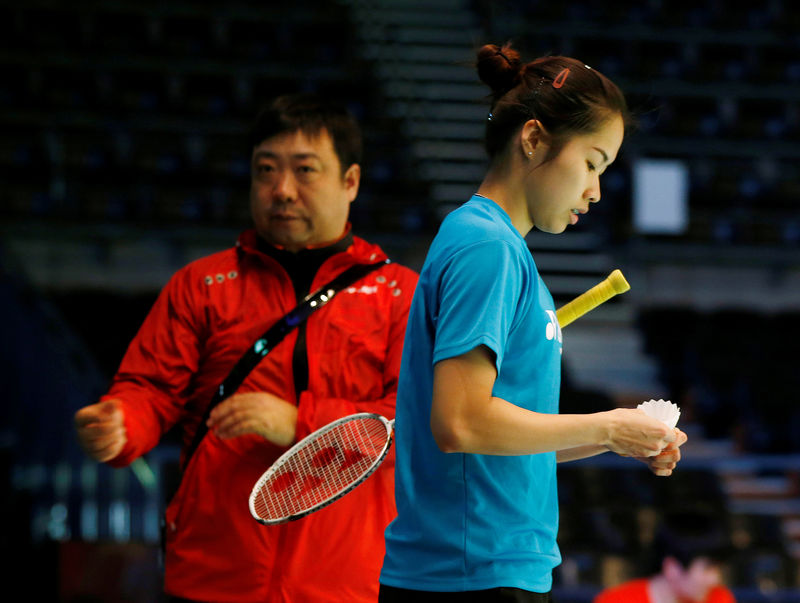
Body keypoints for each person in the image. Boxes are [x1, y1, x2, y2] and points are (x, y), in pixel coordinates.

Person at [74, 93, 418, 603]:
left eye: (305, 171)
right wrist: (123, 423)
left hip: (349, 582)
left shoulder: (402, 295)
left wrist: (298, 425)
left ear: (351, 182)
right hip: (213, 574)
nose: (282, 190)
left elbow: (413, 429)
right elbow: (150, 389)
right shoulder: (202, 283)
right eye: (265, 170)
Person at [379, 43, 688, 602]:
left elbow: (503, 439)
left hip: (492, 568)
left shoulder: (501, 251)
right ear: (533, 139)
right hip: (470, 574)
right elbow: (461, 423)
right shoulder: (485, 246)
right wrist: (607, 426)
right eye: (592, 163)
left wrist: (620, 440)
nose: (595, 191)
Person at [594, 512, 735, 603]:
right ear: (672, 568)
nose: (715, 579)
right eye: (708, 569)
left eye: (717, 568)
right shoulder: (617, 600)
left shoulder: (720, 598)